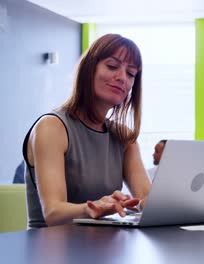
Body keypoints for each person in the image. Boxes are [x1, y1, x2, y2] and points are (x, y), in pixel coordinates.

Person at [22, 34, 151, 228]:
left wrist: (173, 203)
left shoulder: (125, 138)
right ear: (88, 69)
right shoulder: (51, 127)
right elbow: (53, 213)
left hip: (102, 247)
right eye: (112, 66)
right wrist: (92, 208)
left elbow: (147, 200)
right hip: (51, 248)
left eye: (131, 73)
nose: (122, 77)